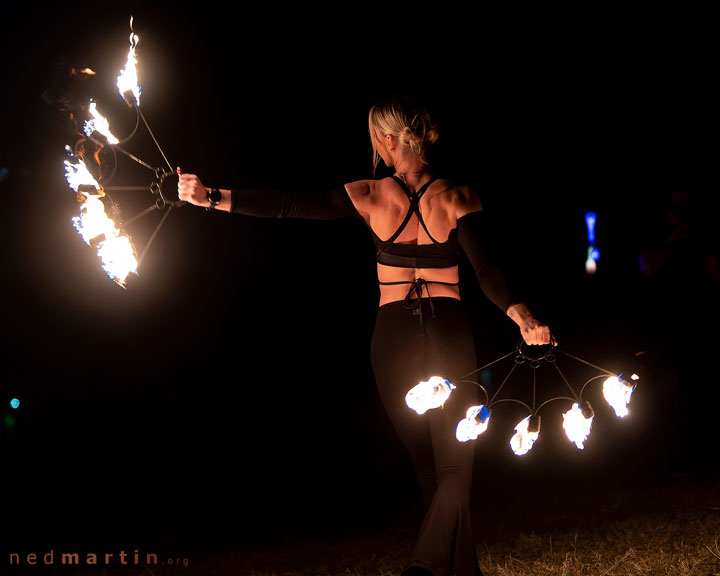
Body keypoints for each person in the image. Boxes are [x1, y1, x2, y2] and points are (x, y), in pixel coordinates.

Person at [177, 95, 553, 576]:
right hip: (449, 330)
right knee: (454, 467)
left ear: (389, 139)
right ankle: (457, 571)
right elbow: (488, 270)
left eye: (377, 136)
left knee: (431, 468)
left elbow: (288, 204)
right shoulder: (458, 196)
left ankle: (427, 568)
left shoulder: (370, 194)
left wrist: (211, 196)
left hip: (392, 336)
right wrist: (522, 316)